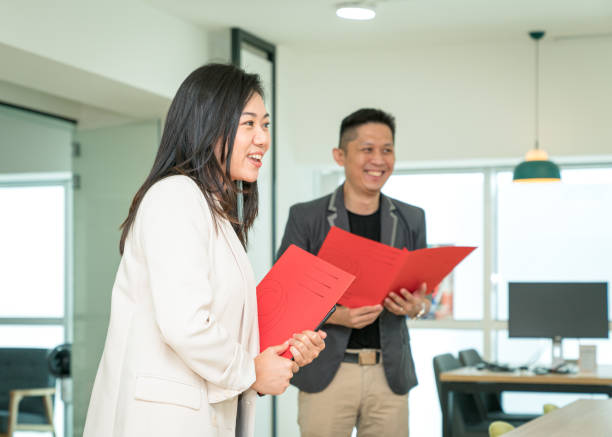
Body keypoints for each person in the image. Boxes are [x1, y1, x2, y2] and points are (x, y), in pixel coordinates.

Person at [83, 63, 326, 437]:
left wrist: (281, 353)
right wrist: (251, 370)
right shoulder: (175, 196)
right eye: (249, 124)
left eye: (266, 124)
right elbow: (186, 324)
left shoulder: (212, 209)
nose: (262, 138)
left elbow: (220, 324)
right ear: (207, 125)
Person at [278, 108, 430, 437]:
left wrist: (418, 307)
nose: (379, 159)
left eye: (387, 150)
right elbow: (285, 295)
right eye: (367, 149)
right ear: (339, 155)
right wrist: (339, 316)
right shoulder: (307, 217)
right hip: (327, 373)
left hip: (390, 375)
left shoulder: (411, 218)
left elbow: (423, 292)